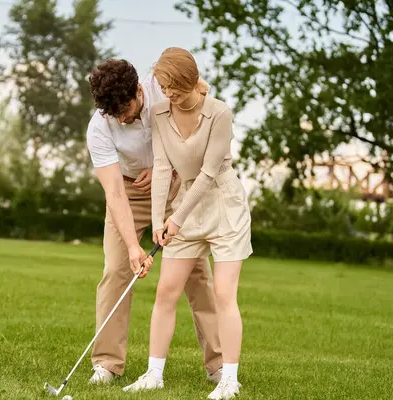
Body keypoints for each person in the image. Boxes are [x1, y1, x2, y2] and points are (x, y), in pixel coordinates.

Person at [122, 48, 253, 399]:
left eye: (172, 87)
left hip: (225, 206)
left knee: (224, 295)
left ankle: (229, 380)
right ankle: (154, 374)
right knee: (166, 291)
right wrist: (157, 221)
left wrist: (176, 218)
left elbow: (210, 173)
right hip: (185, 208)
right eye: (163, 88)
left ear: (187, 80)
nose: (168, 94)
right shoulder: (160, 112)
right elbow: (163, 167)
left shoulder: (219, 113)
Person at [85, 59, 224, 386]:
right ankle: (106, 364)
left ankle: (219, 365)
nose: (122, 118)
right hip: (130, 192)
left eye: (125, 108)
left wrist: (168, 170)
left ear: (138, 89)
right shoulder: (100, 126)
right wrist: (134, 248)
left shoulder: (163, 89)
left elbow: (196, 140)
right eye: (113, 113)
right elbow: (114, 192)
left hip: (177, 188)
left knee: (197, 273)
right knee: (116, 270)